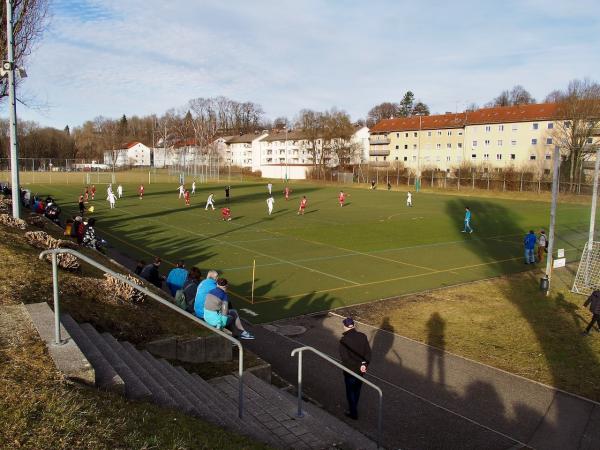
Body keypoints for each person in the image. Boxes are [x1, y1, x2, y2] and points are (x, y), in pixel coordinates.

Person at [339, 317, 371, 420]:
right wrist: (364, 364)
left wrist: (358, 365)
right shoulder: (362, 336)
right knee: (357, 390)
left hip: (350, 371)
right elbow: (368, 353)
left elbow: (345, 358)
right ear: (353, 325)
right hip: (361, 370)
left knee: (350, 391)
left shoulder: (344, 340)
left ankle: (353, 412)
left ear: (345, 326)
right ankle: (354, 408)